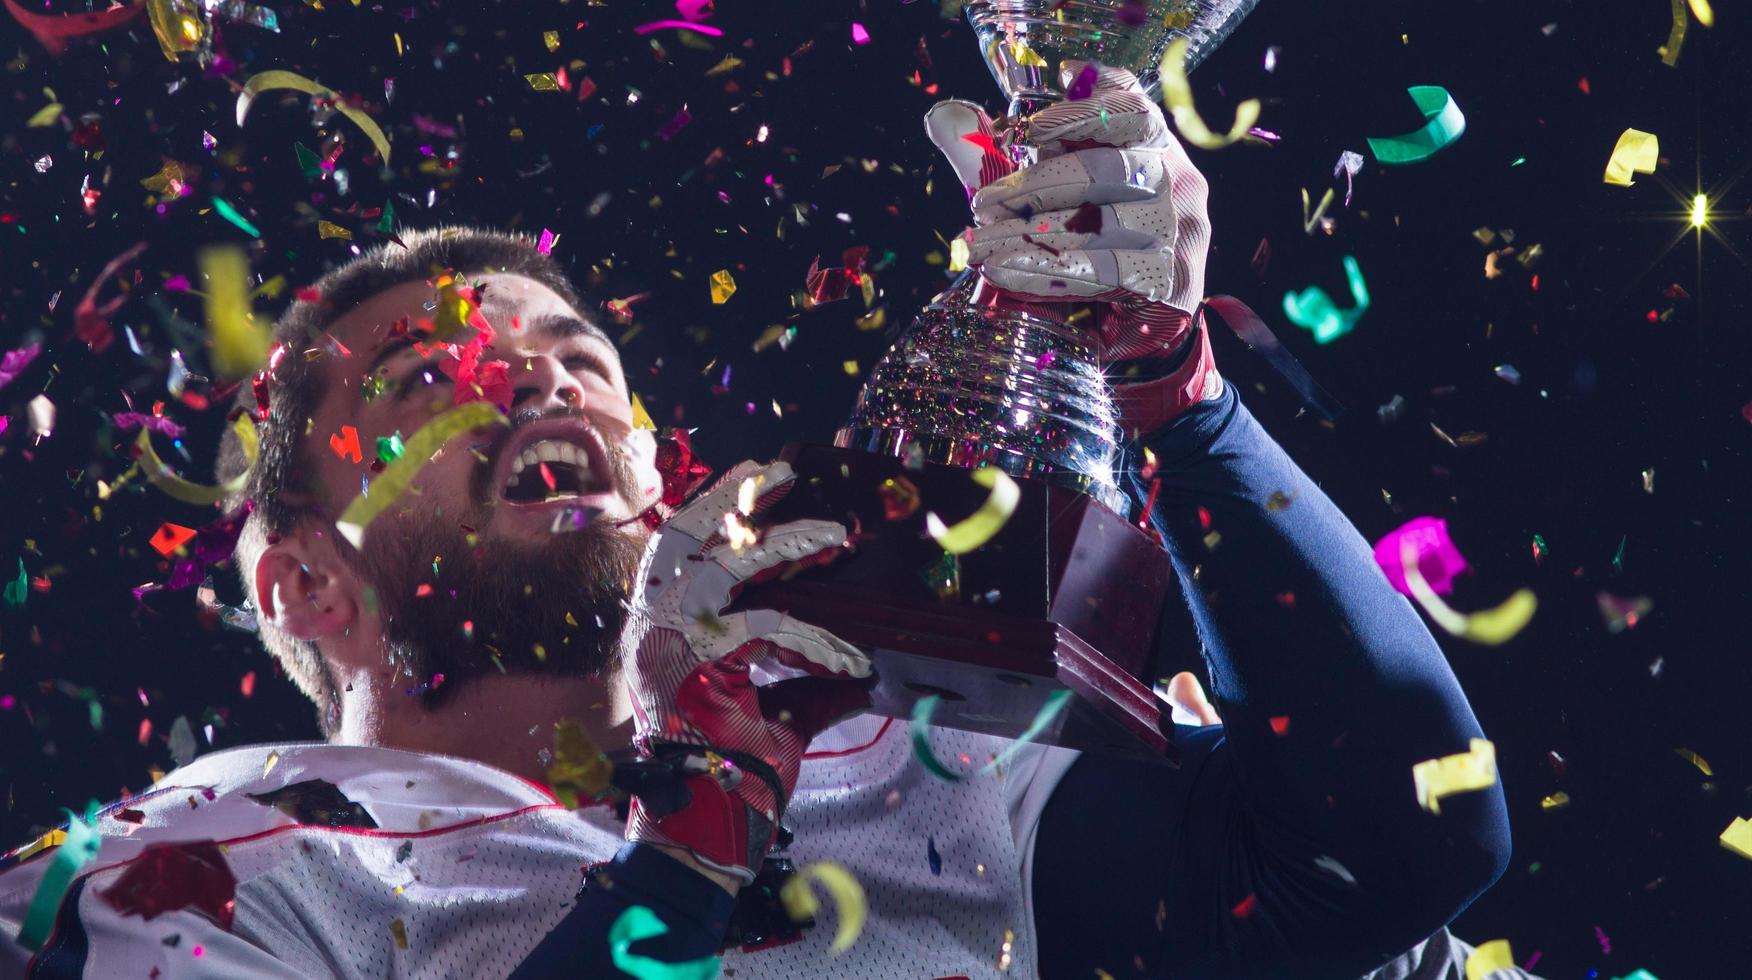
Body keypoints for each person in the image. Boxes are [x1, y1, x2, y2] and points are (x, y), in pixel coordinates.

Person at [0, 61, 1512, 979]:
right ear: (302, 584)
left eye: (580, 359)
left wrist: (1168, 382)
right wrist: (701, 819)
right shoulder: (202, 857)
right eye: (424, 376)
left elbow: (1405, 850)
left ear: (665, 488)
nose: (534, 382)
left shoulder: (896, 775)